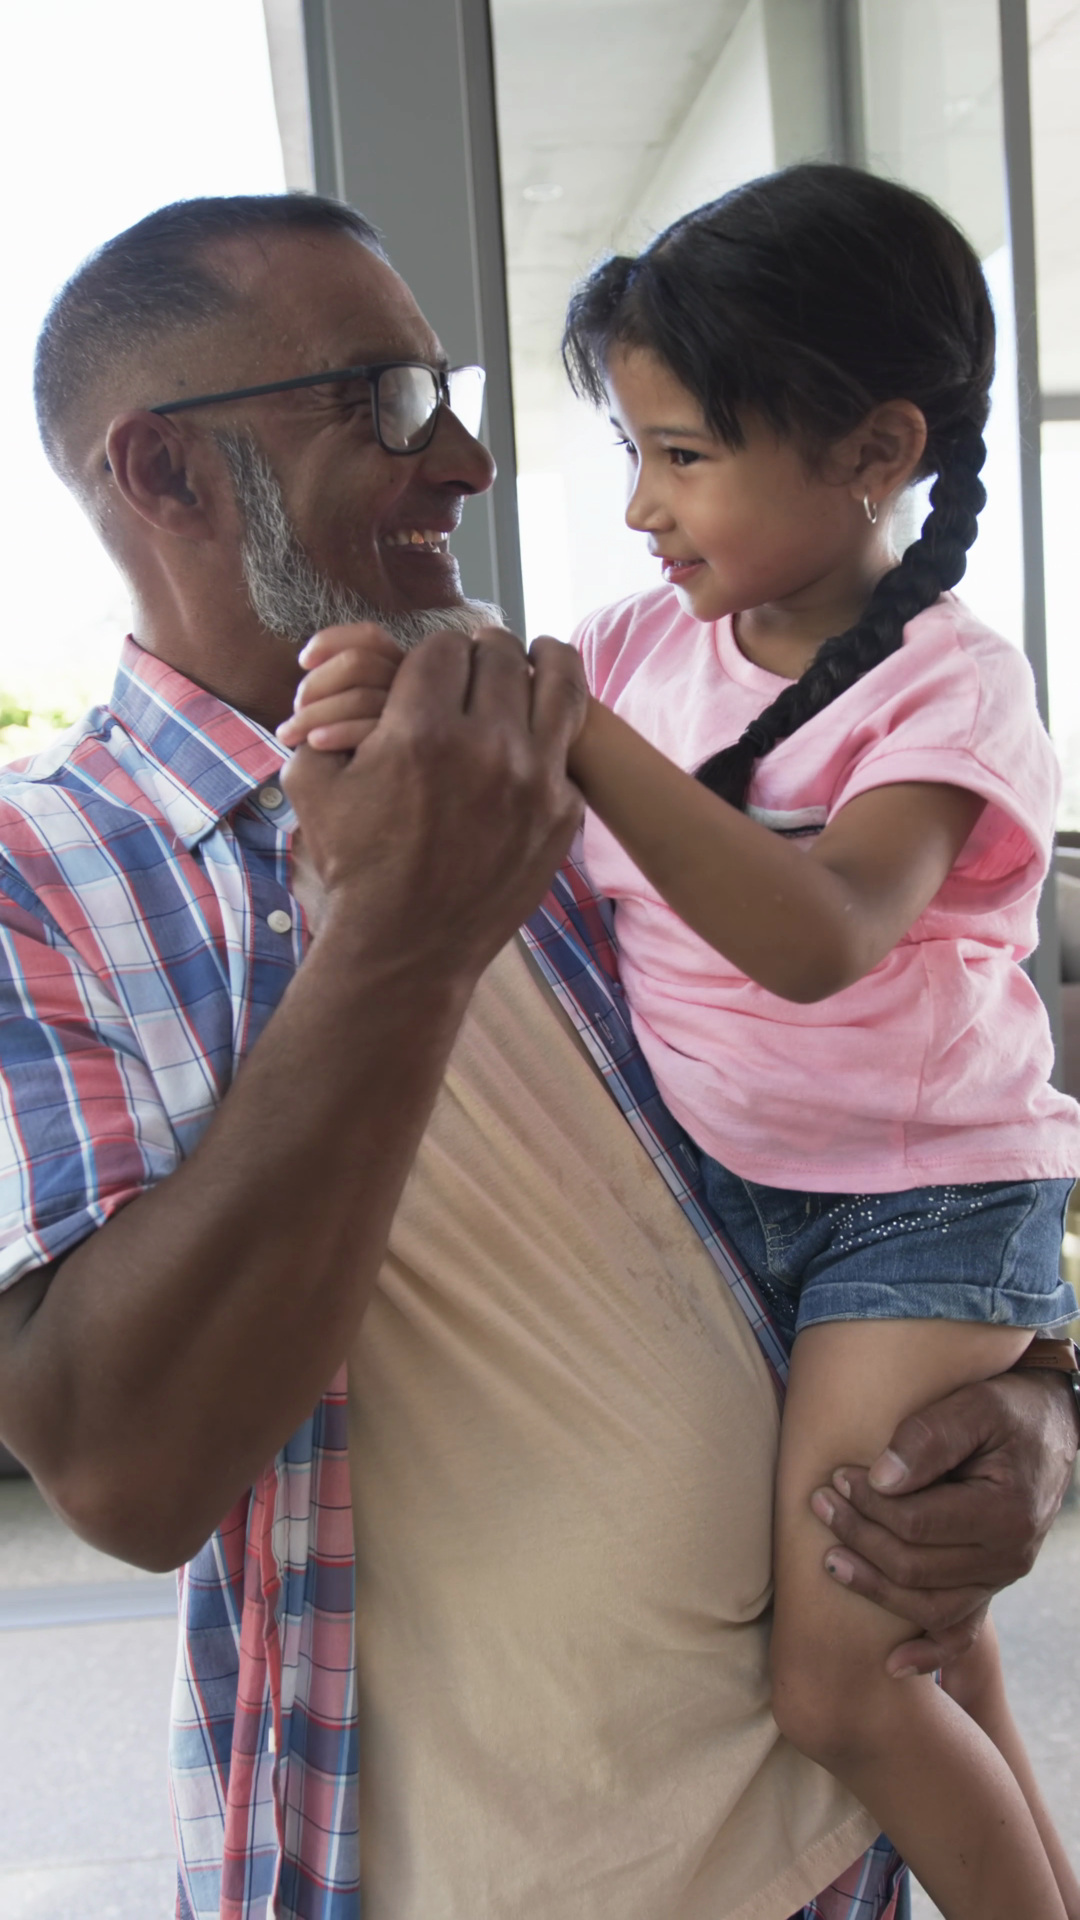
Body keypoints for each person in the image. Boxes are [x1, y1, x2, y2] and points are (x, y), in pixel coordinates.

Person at [0, 193, 1074, 1920]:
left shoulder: (577, 774)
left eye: (453, 394)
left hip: (835, 1864)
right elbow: (122, 1469)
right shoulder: (42, 876)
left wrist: (1032, 1408)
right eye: (385, 403)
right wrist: (399, 933)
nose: (469, 462)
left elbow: (877, 1119)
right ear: (165, 472)